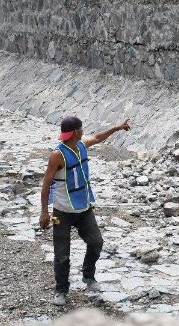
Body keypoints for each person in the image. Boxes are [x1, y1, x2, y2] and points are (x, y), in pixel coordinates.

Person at [39, 116, 131, 306]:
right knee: (62, 255)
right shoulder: (57, 155)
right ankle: (61, 290)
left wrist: (117, 127)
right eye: (81, 129)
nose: (83, 131)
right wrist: (44, 212)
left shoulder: (81, 145)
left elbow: (98, 137)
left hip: (84, 208)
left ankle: (88, 275)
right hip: (62, 212)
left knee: (96, 242)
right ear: (76, 132)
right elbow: (46, 184)